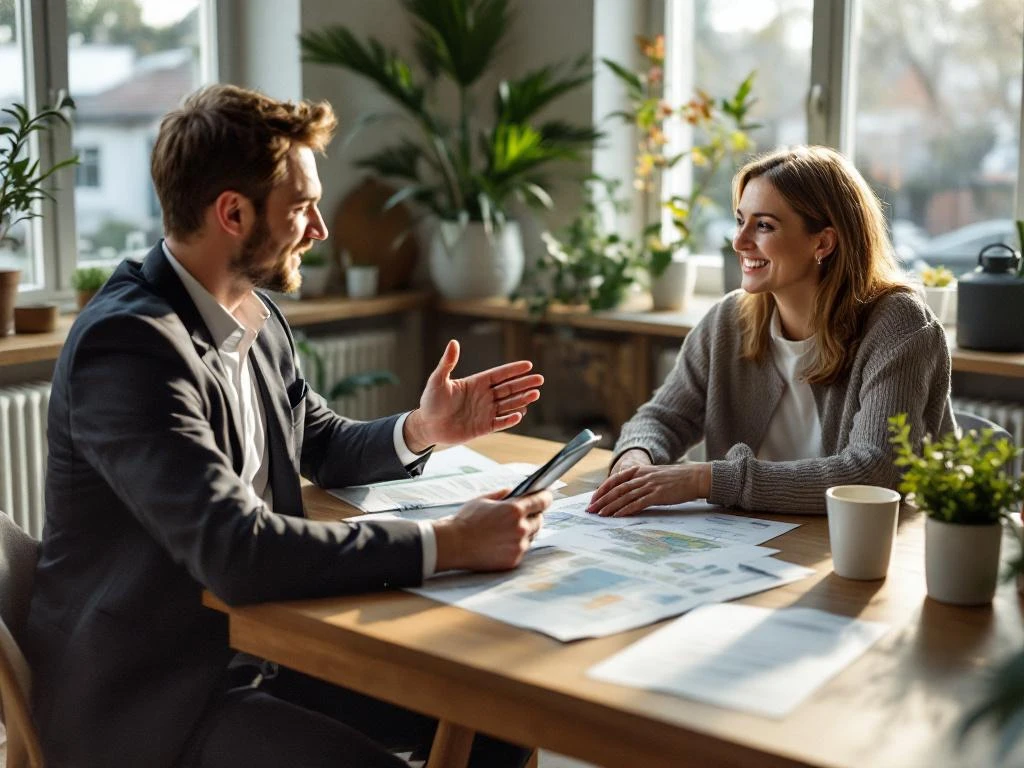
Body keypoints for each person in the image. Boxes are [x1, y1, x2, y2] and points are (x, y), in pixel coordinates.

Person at [26, 84, 549, 768]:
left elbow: (321, 443)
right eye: (301, 207)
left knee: (495, 722)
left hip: (261, 647)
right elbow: (235, 550)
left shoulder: (254, 317)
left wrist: (421, 429)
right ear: (233, 213)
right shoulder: (128, 347)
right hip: (157, 695)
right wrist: (447, 542)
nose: (321, 229)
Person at [587, 145, 954, 518]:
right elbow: (661, 418)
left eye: (763, 225)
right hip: (748, 541)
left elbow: (871, 472)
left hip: (861, 548)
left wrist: (704, 479)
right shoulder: (729, 319)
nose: (739, 241)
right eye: (740, 220)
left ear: (823, 242)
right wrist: (636, 458)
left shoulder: (899, 325)